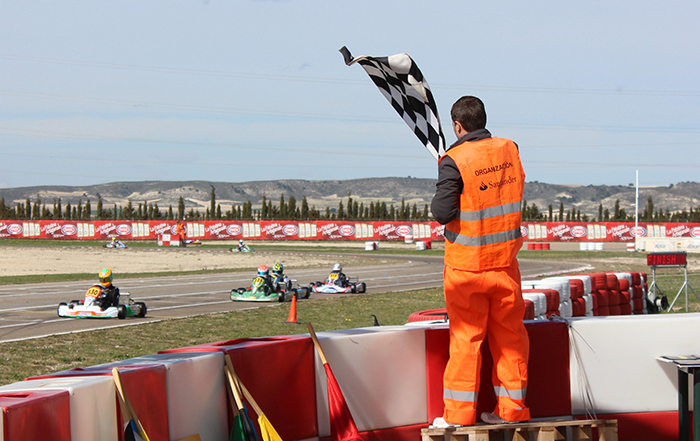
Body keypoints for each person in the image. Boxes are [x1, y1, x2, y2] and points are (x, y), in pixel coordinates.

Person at [430, 96, 529, 427]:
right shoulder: (510, 149)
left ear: (457, 126)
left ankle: (458, 415)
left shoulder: (453, 159)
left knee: (466, 342)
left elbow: (443, 212)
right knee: (511, 342)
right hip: (506, 266)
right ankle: (512, 412)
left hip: (466, 269)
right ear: (482, 120)